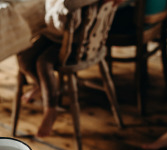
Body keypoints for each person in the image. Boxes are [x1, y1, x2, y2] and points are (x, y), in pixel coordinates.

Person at [17, 0, 123, 137]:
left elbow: (64, 24)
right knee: (24, 59)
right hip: (53, 35)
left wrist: (55, 7)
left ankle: (50, 109)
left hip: (77, 42)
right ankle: (42, 85)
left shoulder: (73, 3)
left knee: (43, 63)